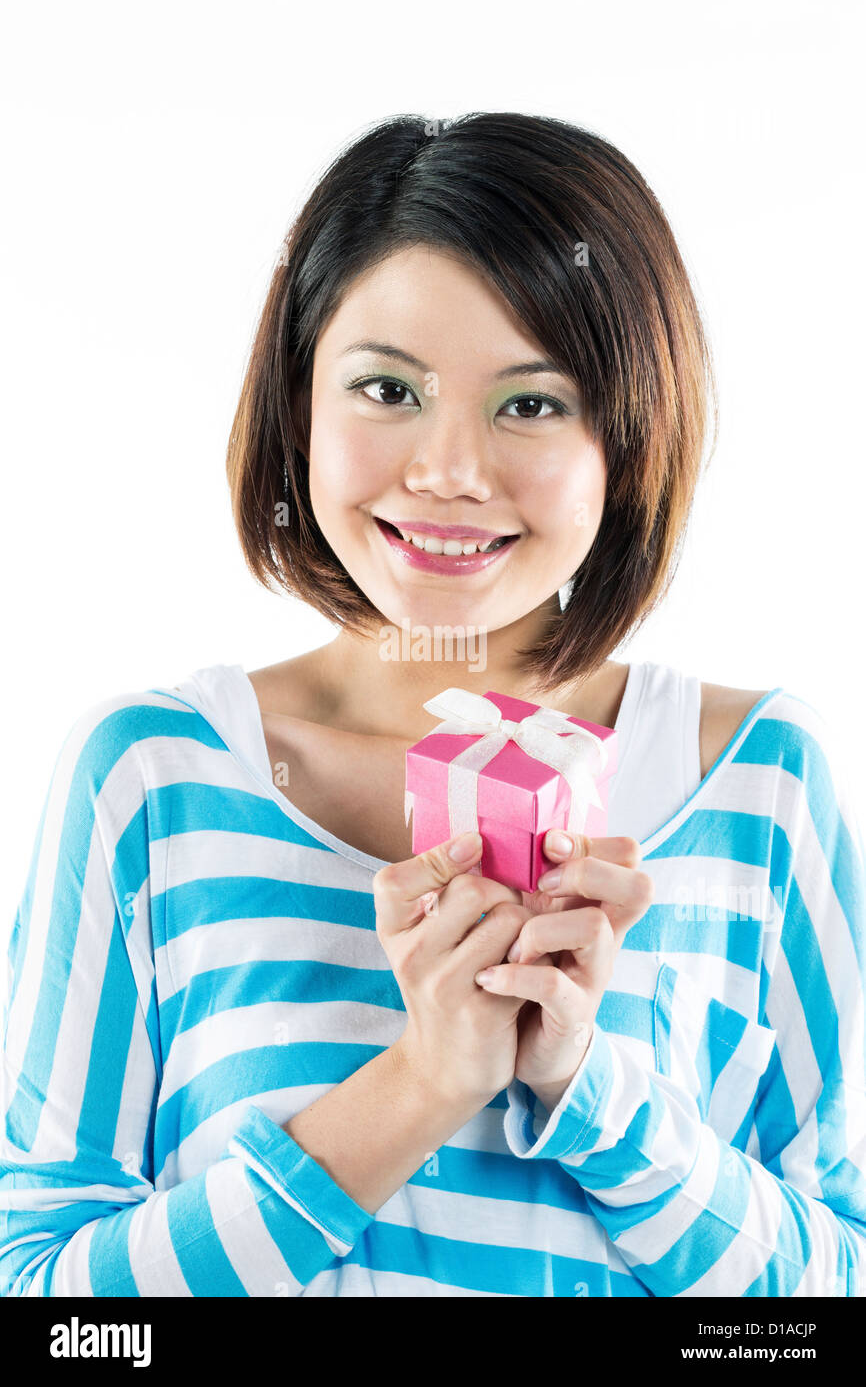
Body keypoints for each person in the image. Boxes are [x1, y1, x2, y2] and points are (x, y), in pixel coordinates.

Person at [2, 111, 864, 1298]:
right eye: (386, 387)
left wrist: (583, 1085)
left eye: (529, 403)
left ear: (630, 432)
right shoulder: (149, 777)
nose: (448, 468)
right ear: (297, 398)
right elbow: (49, 1311)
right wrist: (420, 1083)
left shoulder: (763, 782)